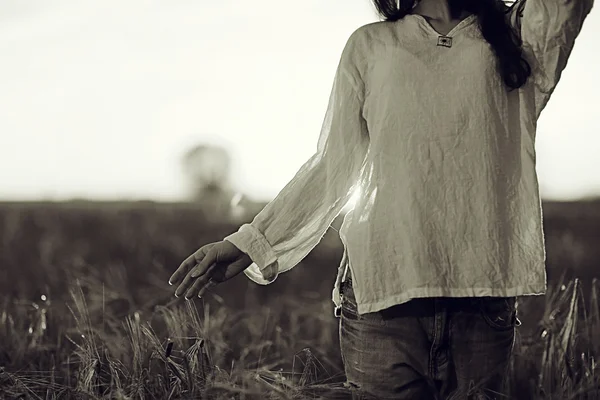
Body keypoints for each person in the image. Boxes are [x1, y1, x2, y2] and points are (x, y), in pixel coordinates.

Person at [168, 0, 594, 397]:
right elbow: (333, 163)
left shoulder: (519, 37)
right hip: (383, 298)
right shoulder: (372, 44)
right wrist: (252, 242)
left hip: (482, 296)